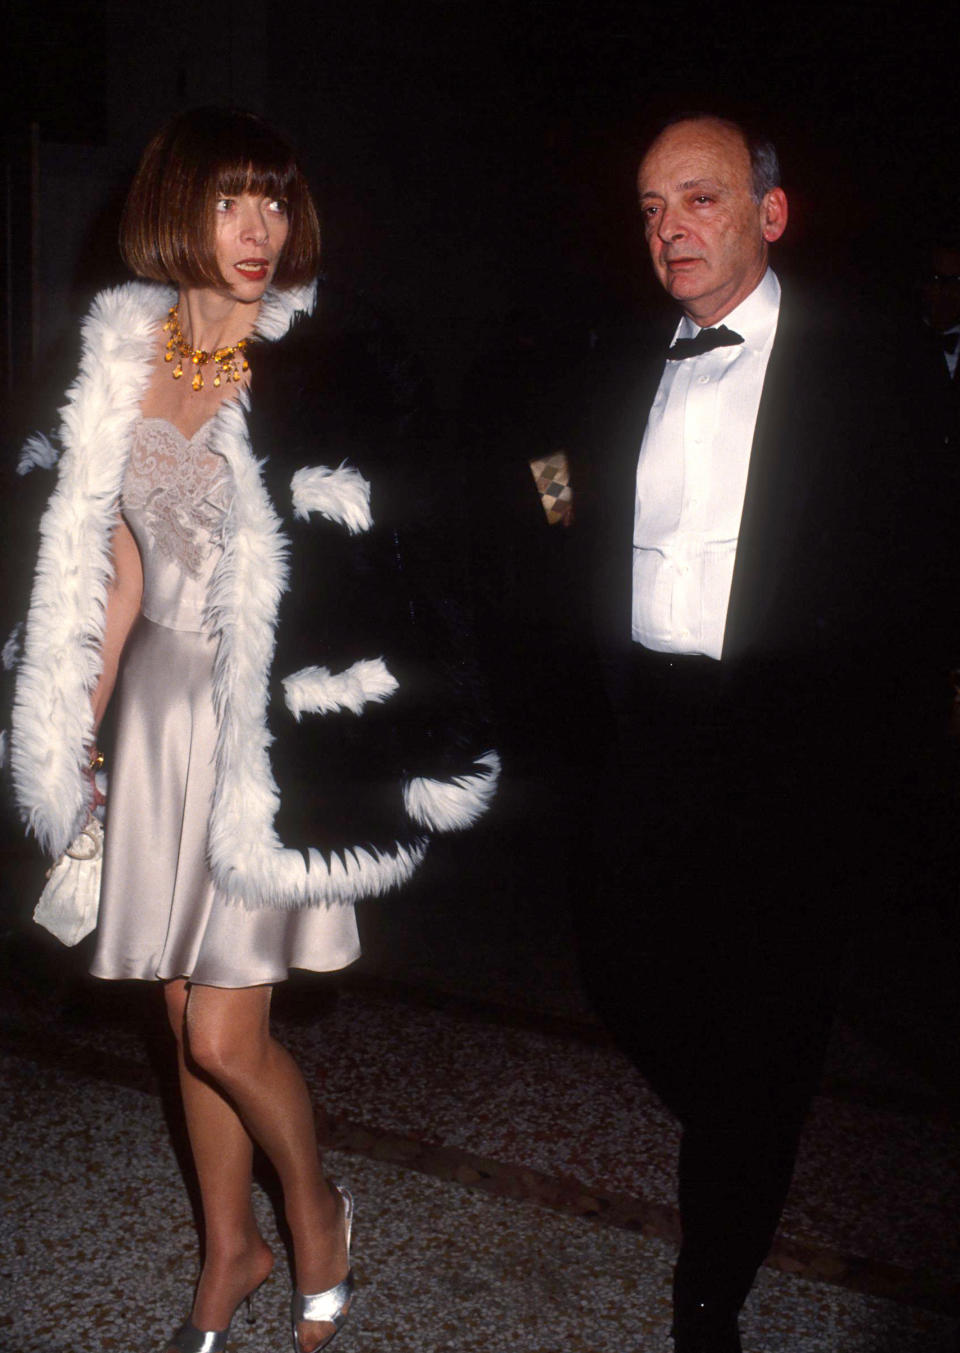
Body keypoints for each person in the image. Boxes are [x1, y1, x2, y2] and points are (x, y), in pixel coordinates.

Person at [6, 107, 497, 1353]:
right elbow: (104, 570)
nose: (259, 230)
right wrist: (75, 732)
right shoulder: (118, 355)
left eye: (276, 202)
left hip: (261, 728)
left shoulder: (330, 369)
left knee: (228, 1028)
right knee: (179, 1016)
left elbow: (406, 556)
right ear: (178, 208)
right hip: (155, 719)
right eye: (232, 201)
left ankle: (317, 1206)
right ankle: (231, 1252)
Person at [576, 114, 956, 1352]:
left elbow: (921, 568)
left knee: (766, 1012)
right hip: (652, 727)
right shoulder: (620, 355)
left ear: (769, 214)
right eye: (650, 207)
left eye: (699, 199)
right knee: (620, 968)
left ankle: (711, 1294)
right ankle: (750, 1115)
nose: (670, 227)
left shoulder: (871, 361)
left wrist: (880, 769)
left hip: (797, 744)